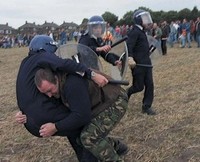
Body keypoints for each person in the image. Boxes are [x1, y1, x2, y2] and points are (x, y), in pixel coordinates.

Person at [15, 34, 109, 161]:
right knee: (82, 122)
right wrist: (91, 74)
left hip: (28, 121)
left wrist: (27, 113)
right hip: (44, 115)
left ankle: (95, 153)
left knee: (72, 128)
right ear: (45, 49)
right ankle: (103, 153)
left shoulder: (25, 63)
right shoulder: (41, 56)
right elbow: (64, 64)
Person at [33, 67, 128, 162]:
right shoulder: (59, 84)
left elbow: (82, 116)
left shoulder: (72, 84)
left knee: (89, 137)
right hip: (98, 104)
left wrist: (56, 127)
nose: (49, 95)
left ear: (56, 79)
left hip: (115, 101)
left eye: (50, 90)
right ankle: (117, 146)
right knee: (81, 138)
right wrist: (25, 114)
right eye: (45, 93)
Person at [126, 9, 156, 115]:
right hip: (138, 64)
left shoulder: (142, 31)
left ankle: (146, 106)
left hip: (146, 63)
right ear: (139, 20)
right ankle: (126, 94)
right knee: (138, 87)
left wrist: (149, 50)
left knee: (150, 84)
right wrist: (130, 58)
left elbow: (141, 47)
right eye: (145, 19)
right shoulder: (134, 31)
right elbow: (129, 46)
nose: (148, 21)